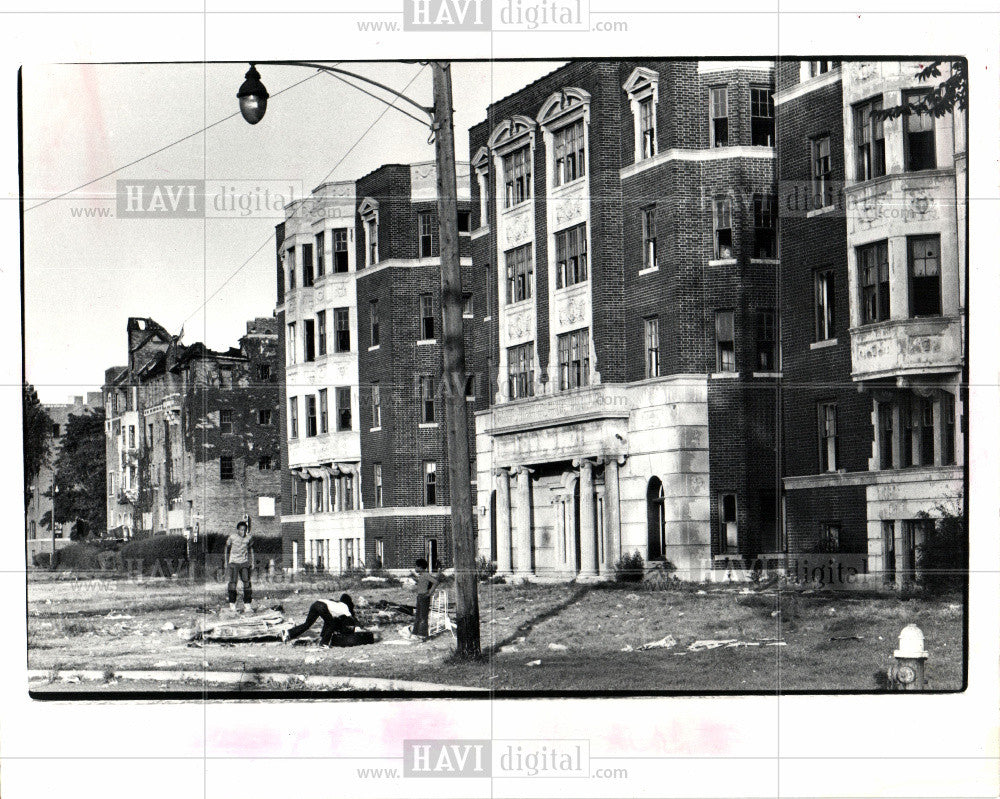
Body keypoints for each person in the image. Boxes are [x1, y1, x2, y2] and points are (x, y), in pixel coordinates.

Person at [283, 593, 359, 646]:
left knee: (307, 624)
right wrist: (359, 626)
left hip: (316, 603)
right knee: (331, 624)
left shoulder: (337, 604)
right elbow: (352, 619)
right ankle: (324, 643)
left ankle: (288, 633)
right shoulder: (345, 607)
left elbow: (328, 621)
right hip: (322, 606)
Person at [224, 514, 255, 614]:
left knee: (247, 583)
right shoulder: (232, 537)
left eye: (245, 530)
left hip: (244, 562)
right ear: (238, 530)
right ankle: (232, 605)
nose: (243, 532)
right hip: (233, 562)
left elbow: (251, 549)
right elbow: (226, 548)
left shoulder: (249, 538)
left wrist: (253, 562)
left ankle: (247, 605)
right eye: (241, 530)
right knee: (233, 583)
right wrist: (225, 561)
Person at [409, 558, 439, 638]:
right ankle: (415, 633)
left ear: (420, 567)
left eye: (416, 566)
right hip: (420, 597)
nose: (415, 568)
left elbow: (436, 582)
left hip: (424, 597)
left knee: (423, 616)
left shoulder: (426, 575)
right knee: (418, 615)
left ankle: (423, 634)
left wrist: (430, 593)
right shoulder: (422, 575)